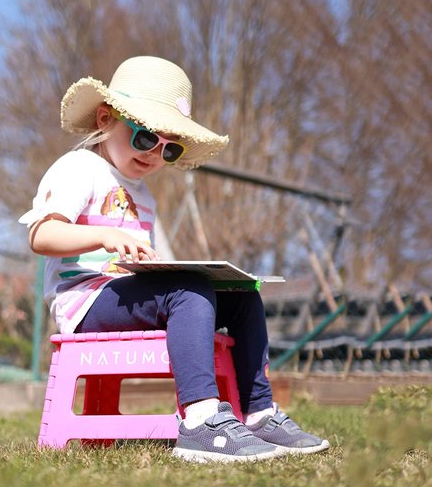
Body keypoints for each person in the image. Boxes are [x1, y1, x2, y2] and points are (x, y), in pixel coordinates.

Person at [19, 56, 329, 463]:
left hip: (125, 294)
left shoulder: (143, 194)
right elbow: (41, 236)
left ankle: (257, 412)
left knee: (242, 294)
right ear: (105, 118)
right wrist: (104, 235)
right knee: (188, 292)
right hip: (85, 300)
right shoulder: (80, 169)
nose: (154, 154)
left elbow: (148, 263)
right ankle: (200, 420)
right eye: (146, 138)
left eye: (170, 148)